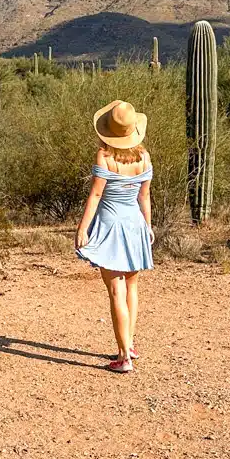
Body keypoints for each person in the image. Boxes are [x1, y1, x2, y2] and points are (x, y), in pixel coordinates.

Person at [75, 100, 154, 373]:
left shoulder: (104, 157)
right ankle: (129, 344)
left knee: (115, 290)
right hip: (135, 225)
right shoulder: (144, 157)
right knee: (131, 286)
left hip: (110, 227)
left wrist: (82, 228)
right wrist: (148, 226)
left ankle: (124, 358)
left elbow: (96, 195)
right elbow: (144, 196)